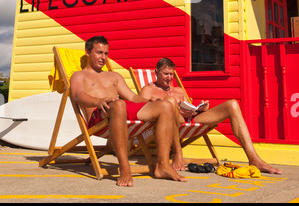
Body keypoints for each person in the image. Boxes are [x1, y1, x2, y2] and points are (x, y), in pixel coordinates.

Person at [70, 36, 187, 187]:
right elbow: (78, 95)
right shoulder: (79, 75)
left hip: (120, 110)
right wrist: (98, 101)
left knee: (165, 106)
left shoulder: (114, 76)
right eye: (99, 52)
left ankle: (163, 166)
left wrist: (149, 103)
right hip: (100, 115)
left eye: (106, 53)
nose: (103, 57)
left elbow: (132, 97)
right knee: (118, 104)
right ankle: (125, 168)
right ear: (87, 52)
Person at [139, 57, 282, 175]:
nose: (169, 78)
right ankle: (178, 153)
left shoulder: (179, 90)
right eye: (166, 74)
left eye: (171, 74)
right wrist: (156, 102)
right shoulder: (148, 90)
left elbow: (189, 109)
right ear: (156, 72)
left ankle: (254, 158)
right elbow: (140, 110)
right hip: (172, 122)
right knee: (169, 102)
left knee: (232, 104)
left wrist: (199, 109)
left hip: (190, 119)